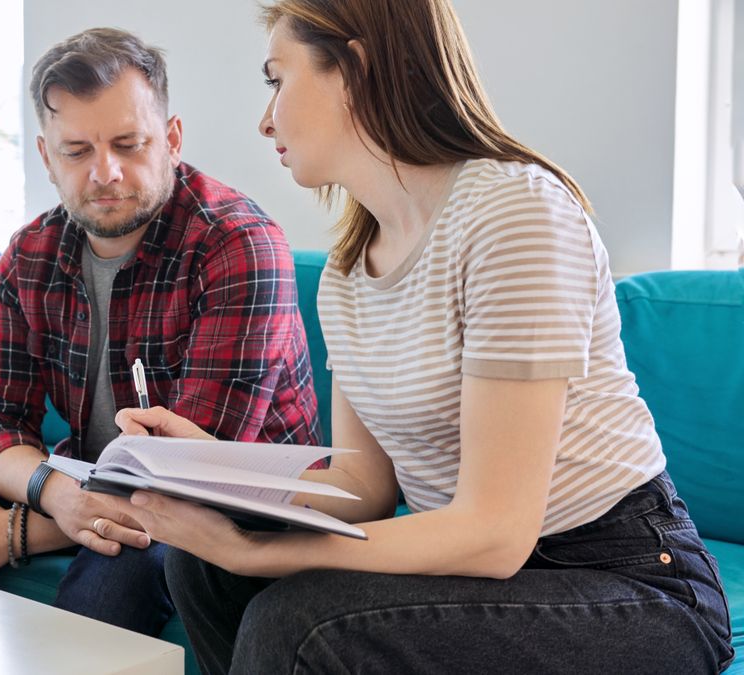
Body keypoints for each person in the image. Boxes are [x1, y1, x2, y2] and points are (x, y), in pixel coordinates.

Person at [110, 1, 737, 672]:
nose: (265, 120)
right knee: (205, 572)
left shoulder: (513, 213)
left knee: (298, 621)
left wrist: (258, 551)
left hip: (633, 582)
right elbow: (364, 485)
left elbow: (495, 533)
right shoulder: (348, 275)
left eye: (275, 79)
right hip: (494, 574)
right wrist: (211, 468)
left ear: (353, 68)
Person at [0, 27, 321, 637]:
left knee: (119, 565)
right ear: (46, 157)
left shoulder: (236, 243)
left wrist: (20, 530)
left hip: (238, 511)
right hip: (97, 487)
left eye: (128, 143)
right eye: (76, 151)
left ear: (171, 139)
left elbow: (197, 466)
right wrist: (55, 493)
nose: (105, 173)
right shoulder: (31, 253)